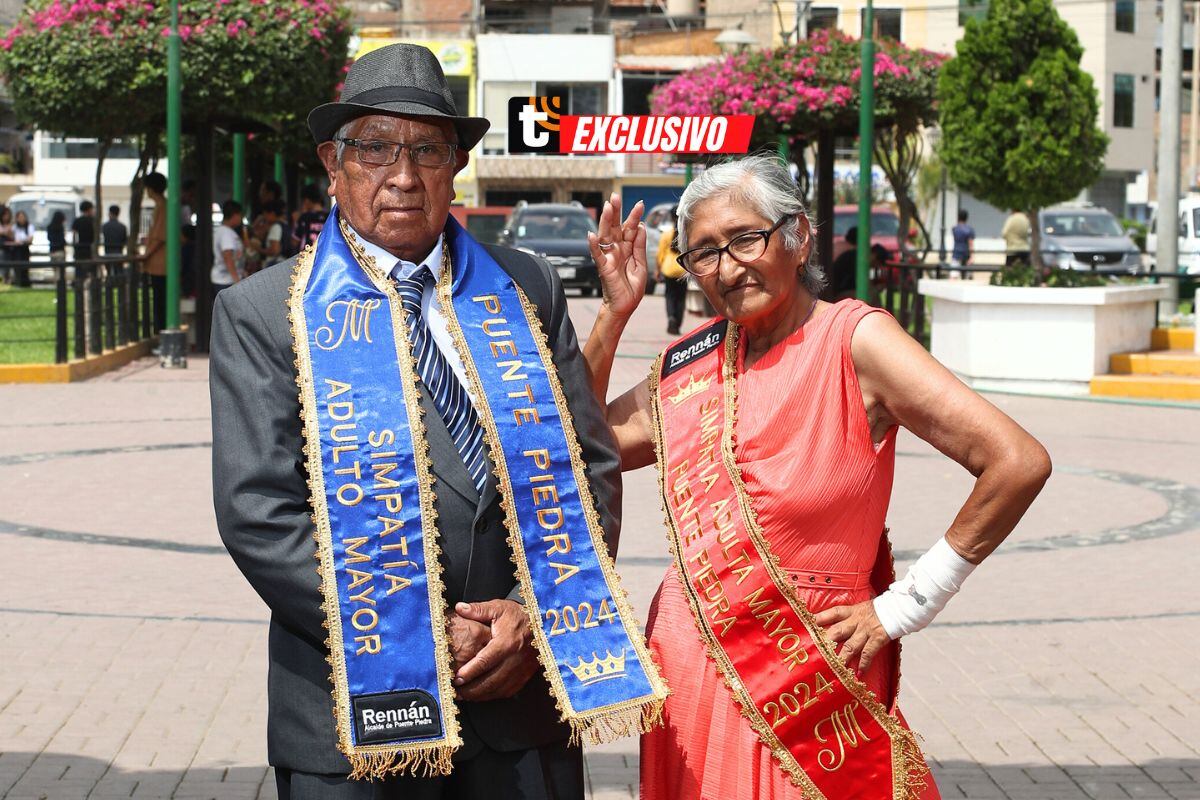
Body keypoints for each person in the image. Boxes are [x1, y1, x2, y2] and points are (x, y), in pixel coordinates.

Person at [209, 43, 663, 800]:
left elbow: (590, 469)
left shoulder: (525, 285)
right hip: (356, 713)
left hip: (521, 701)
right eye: (375, 148)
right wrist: (420, 633)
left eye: (428, 150)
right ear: (333, 161)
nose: (403, 176)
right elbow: (258, 510)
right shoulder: (264, 310)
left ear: (456, 166)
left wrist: (529, 612)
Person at [582, 154, 1053, 800]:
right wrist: (613, 312)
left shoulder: (856, 340)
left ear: (798, 237)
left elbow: (1017, 462)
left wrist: (907, 605)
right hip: (690, 672)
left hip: (813, 677)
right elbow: (582, 445)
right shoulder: (689, 364)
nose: (727, 265)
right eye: (704, 253)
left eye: (746, 238)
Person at [654, 205, 687, 335]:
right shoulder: (686, 234)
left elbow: (660, 254)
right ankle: (677, 323)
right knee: (681, 298)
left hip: (668, 269)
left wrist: (657, 270)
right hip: (683, 269)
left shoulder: (666, 234)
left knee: (670, 296)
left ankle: (671, 318)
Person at [142, 173, 168, 332]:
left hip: (160, 264)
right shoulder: (161, 206)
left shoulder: (163, 206)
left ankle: (161, 333)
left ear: (151, 189)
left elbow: (160, 237)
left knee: (160, 301)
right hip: (158, 263)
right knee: (158, 300)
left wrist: (146, 255)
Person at [210, 199, 245, 302]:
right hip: (226, 281)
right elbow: (228, 257)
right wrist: (237, 281)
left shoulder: (223, 231)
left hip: (225, 279)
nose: (241, 218)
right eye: (240, 215)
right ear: (234, 215)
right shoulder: (226, 234)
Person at [293, 182, 328, 252]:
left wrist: (295, 221)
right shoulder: (330, 217)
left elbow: (294, 242)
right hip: (324, 256)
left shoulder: (304, 217)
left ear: (307, 200)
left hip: (307, 257)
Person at [10, 210, 33, 287]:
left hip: (24, 249)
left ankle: (25, 283)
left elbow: (30, 238)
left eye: (22, 217)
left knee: (25, 267)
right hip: (16, 249)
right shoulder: (14, 227)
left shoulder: (29, 226)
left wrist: (22, 241)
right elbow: (11, 237)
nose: (21, 219)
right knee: (17, 267)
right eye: (19, 217)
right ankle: (18, 283)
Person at [950, 209, 974, 277]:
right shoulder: (969, 230)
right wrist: (972, 257)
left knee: (953, 276)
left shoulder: (954, 229)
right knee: (967, 277)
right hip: (966, 254)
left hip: (956, 253)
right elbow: (971, 244)